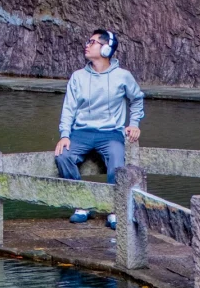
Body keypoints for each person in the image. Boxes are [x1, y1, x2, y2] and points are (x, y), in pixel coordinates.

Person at [54, 29, 144, 230]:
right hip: (81, 132)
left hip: (111, 133)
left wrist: (134, 123)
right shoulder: (77, 77)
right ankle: (83, 204)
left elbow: (137, 100)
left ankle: (115, 209)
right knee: (63, 156)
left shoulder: (123, 76)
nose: (87, 44)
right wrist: (65, 135)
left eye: (92, 42)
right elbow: (69, 108)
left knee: (117, 159)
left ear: (106, 48)